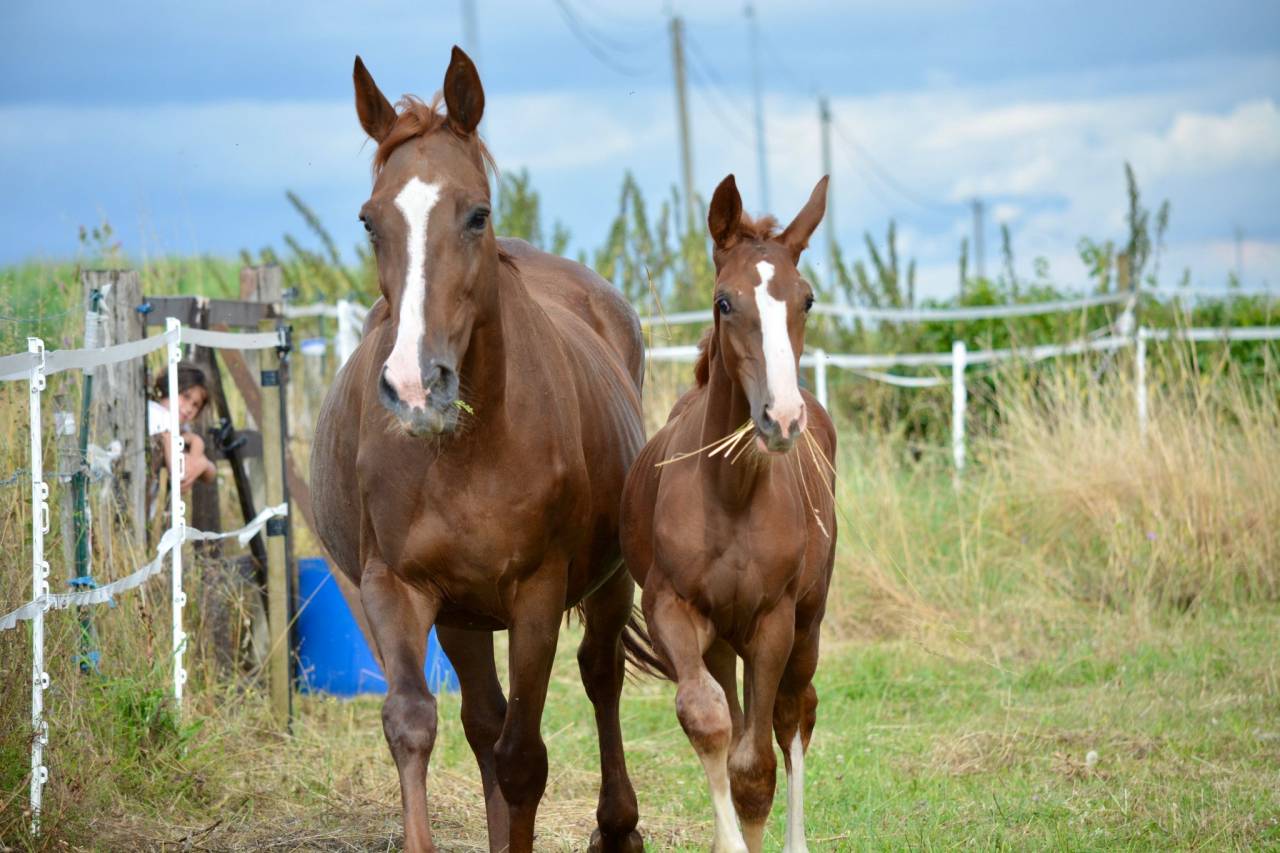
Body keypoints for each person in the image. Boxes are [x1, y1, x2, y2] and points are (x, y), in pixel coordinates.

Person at [149, 361, 216, 491]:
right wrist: (197, 447)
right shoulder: (159, 416)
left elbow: (211, 474)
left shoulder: (177, 426)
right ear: (169, 387)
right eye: (186, 396)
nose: (189, 408)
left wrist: (196, 445)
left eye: (195, 405)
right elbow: (180, 473)